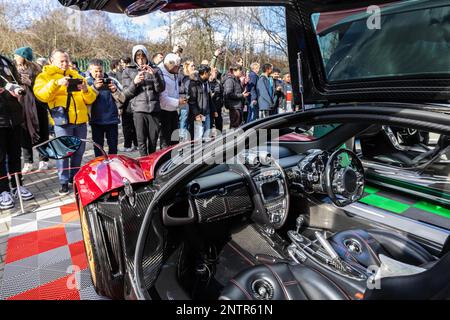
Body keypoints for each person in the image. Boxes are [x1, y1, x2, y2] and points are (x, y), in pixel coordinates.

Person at [34, 49, 97, 195]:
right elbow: (41, 95)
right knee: (63, 152)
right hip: (62, 121)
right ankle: (63, 182)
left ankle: (73, 177)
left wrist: (86, 90)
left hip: (80, 120)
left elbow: (90, 99)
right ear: (52, 61)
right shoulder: (44, 76)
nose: (65, 63)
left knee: (79, 151)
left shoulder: (75, 74)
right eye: (61, 61)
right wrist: (57, 83)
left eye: (66, 60)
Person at [0, 54, 34, 209]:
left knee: (15, 155)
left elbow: (16, 82)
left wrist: (19, 88)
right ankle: (3, 191)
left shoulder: (6, 60)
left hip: (14, 117)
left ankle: (17, 185)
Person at [122, 45, 165, 156]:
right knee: (141, 142)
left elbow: (161, 89)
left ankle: (151, 165)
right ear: (134, 58)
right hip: (139, 110)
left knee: (153, 141)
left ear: (147, 56)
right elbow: (126, 93)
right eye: (138, 58)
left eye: (143, 57)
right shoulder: (128, 71)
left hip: (154, 110)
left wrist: (155, 75)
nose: (141, 60)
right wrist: (135, 82)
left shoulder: (156, 69)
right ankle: (143, 164)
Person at [13, 47, 43, 174]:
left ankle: (43, 159)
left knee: (40, 130)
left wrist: (30, 82)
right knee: (24, 133)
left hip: (36, 104)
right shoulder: (12, 68)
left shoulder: (36, 68)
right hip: (19, 104)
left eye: (16, 55)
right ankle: (28, 161)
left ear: (23, 56)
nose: (14, 57)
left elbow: (41, 86)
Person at [86, 59, 125, 157]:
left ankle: (112, 169)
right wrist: (94, 88)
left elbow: (122, 99)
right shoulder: (86, 82)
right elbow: (85, 101)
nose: (99, 74)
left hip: (112, 120)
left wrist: (115, 91)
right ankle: (100, 169)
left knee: (113, 149)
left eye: (101, 71)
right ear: (90, 70)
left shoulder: (112, 80)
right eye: (96, 71)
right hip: (96, 121)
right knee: (98, 149)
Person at [158, 53, 185, 148]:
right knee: (166, 140)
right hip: (164, 112)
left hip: (173, 110)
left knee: (175, 139)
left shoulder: (173, 73)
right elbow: (163, 99)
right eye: (176, 67)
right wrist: (178, 102)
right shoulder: (161, 75)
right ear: (170, 64)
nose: (178, 69)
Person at [188, 64, 218, 140]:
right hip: (199, 115)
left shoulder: (206, 83)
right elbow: (192, 101)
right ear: (204, 73)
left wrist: (214, 110)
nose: (210, 74)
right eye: (209, 72)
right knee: (198, 137)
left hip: (207, 114)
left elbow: (209, 98)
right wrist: (196, 114)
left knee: (206, 136)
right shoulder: (194, 83)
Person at [118, 57, 138, 152]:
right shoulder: (137, 69)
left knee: (126, 125)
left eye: (122, 63)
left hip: (127, 101)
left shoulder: (125, 71)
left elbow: (124, 90)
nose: (121, 65)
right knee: (134, 125)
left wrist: (120, 104)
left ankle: (127, 146)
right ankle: (136, 144)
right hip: (136, 102)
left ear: (126, 63)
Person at [209, 67, 223, 133]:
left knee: (219, 123)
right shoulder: (207, 82)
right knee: (210, 124)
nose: (216, 73)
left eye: (216, 72)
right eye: (215, 72)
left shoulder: (218, 82)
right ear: (211, 72)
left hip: (218, 106)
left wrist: (221, 102)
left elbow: (222, 93)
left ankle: (219, 136)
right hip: (210, 107)